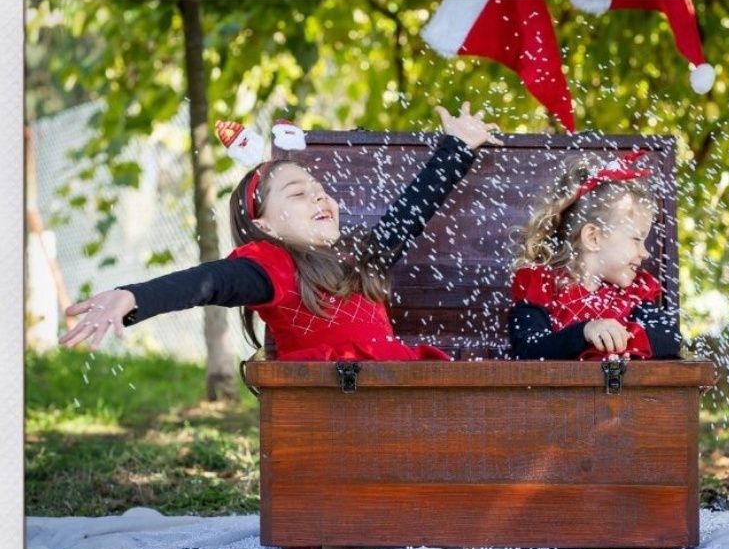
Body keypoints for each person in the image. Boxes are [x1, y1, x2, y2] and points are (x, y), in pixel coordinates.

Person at [59, 103, 503, 361]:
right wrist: (134, 296)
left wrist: (459, 146)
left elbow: (412, 209)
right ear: (263, 224)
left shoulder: (360, 260)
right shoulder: (270, 267)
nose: (318, 198)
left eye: (320, 191)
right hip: (327, 408)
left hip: (393, 395)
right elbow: (205, 283)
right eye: (297, 193)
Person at [507, 150, 681, 360]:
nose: (645, 253)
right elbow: (528, 349)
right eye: (636, 239)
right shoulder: (541, 287)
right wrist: (585, 332)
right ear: (593, 238)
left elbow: (670, 338)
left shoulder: (634, 294)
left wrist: (618, 344)